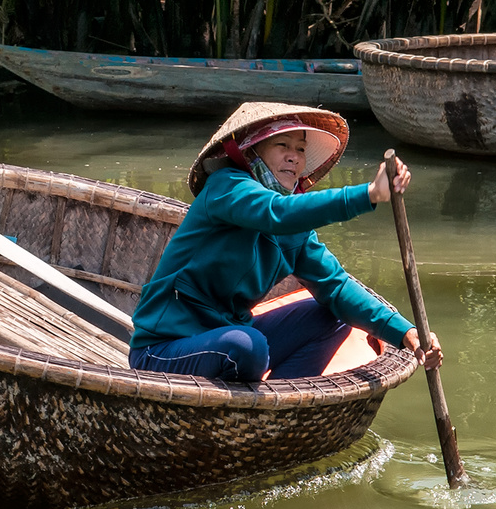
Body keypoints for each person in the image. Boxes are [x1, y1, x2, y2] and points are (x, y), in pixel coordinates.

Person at [129, 102, 443, 382]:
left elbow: (335, 285)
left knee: (332, 315)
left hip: (227, 338)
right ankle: (255, 406)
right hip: (164, 349)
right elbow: (276, 213)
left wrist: (406, 332)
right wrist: (368, 195)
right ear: (253, 151)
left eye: (301, 149)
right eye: (282, 145)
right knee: (245, 348)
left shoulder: (294, 227)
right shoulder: (226, 187)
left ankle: (276, 410)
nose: (293, 157)